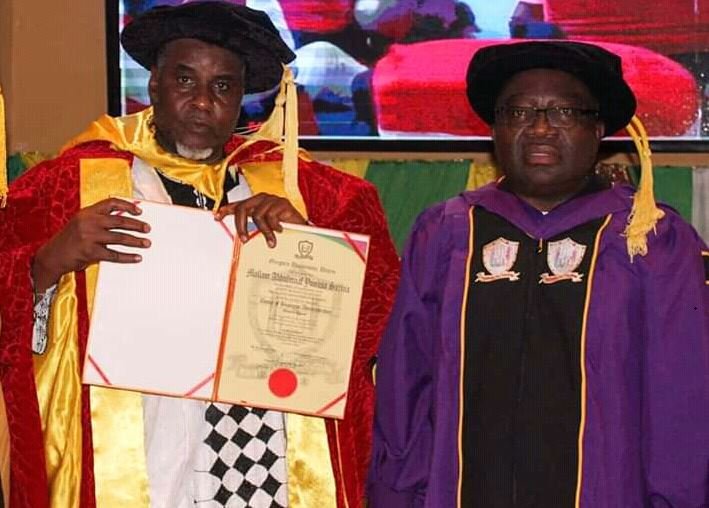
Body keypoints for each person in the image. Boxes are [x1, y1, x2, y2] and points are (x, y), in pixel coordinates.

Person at [0, 3, 399, 507]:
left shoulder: (309, 194)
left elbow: (378, 321)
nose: (203, 102)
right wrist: (48, 262)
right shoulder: (67, 186)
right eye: (184, 80)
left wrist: (311, 250)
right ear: (153, 85)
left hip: (263, 448)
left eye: (223, 86)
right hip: (140, 444)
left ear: (242, 101)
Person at [368, 40, 709, 507]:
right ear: (495, 130)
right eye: (519, 112)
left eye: (565, 112)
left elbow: (682, 397)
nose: (541, 128)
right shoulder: (448, 232)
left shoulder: (650, 239)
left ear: (600, 128)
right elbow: (406, 384)